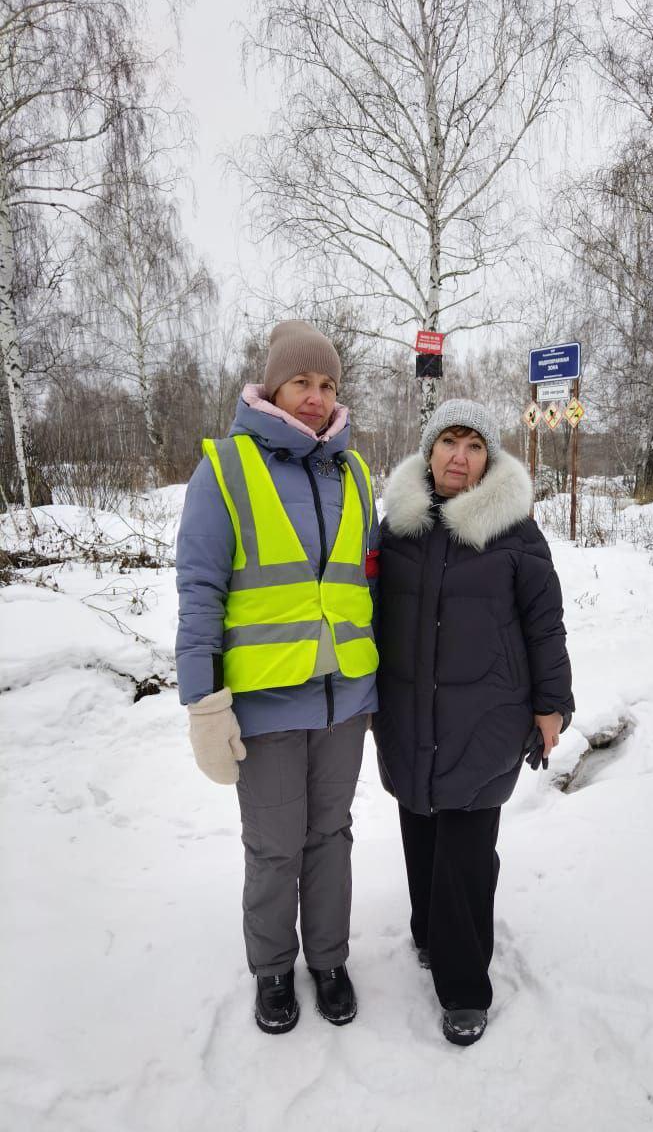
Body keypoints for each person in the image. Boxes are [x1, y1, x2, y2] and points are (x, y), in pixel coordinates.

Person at [175, 320, 379, 1034]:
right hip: (265, 706)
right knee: (273, 846)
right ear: (273, 385)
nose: (317, 397)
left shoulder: (354, 472)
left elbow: (366, 587)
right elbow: (201, 589)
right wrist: (203, 703)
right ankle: (271, 969)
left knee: (333, 836)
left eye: (328, 385)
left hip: (344, 702)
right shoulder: (226, 467)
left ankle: (328, 959)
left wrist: (380, 692)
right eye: (303, 382)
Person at [373, 399, 573, 1046]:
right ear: (428, 451)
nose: (460, 457)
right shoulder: (394, 528)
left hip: (487, 713)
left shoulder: (515, 532)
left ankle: (464, 987)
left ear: (490, 458)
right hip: (407, 708)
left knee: (464, 846)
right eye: (449, 443)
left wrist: (552, 705)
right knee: (419, 821)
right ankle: (429, 935)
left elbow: (545, 625)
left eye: (475, 446)